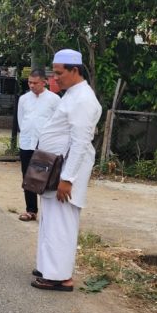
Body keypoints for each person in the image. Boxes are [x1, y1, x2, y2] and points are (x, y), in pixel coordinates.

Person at [31, 49, 102, 292]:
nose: (55, 77)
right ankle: (48, 268)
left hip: (66, 171)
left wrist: (67, 179)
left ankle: (60, 276)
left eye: (59, 73)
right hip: (56, 166)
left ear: (75, 70)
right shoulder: (72, 94)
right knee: (50, 220)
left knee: (61, 222)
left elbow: (80, 142)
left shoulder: (83, 99)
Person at [16, 69, 60, 222]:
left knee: (47, 178)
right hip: (27, 142)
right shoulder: (23, 99)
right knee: (29, 177)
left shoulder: (54, 100)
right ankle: (31, 210)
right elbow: (21, 119)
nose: (32, 85)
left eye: (35, 83)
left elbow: (57, 121)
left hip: (45, 145)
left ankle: (50, 212)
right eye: (29, 82)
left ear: (44, 82)